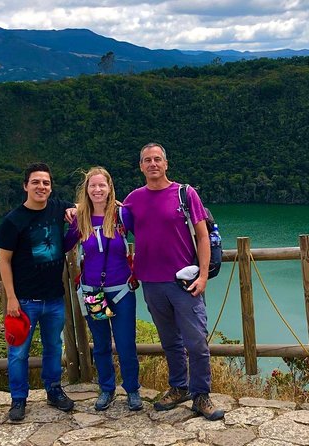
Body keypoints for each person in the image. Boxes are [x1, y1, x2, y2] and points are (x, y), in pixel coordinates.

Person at [123, 142, 224, 421]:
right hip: (151, 283)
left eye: (157, 159)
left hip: (184, 282)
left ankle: (201, 394)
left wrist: (203, 276)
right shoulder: (133, 199)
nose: (153, 164)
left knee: (196, 342)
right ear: (141, 166)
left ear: (166, 164)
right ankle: (179, 387)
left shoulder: (185, 193)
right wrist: (73, 212)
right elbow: (109, 216)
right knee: (170, 341)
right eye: (147, 160)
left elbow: (203, 236)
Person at [0, 162, 75, 422]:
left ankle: (53, 389)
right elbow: (3, 262)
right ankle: (18, 399)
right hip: (25, 300)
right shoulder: (12, 221)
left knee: (54, 346)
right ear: (25, 186)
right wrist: (11, 298)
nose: (41, 187)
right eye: (36, 182)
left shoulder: (57, 208)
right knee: (18, 352)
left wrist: (75, 210)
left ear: (51, 187)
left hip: (54, 297)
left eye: (46, 183)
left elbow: (85, 206)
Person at [63, 166, 142, 412]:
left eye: (101, 185)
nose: (97, 190)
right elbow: (65, 244)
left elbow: (146, 236)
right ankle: (106, 389)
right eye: (92, 186)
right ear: (86, 190)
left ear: (109, 188)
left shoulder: (122, 215)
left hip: (121, 290)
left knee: (126, 343)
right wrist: (63, 215)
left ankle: (132, 389)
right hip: (93, 290)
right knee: (101, 344)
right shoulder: (80, 218)